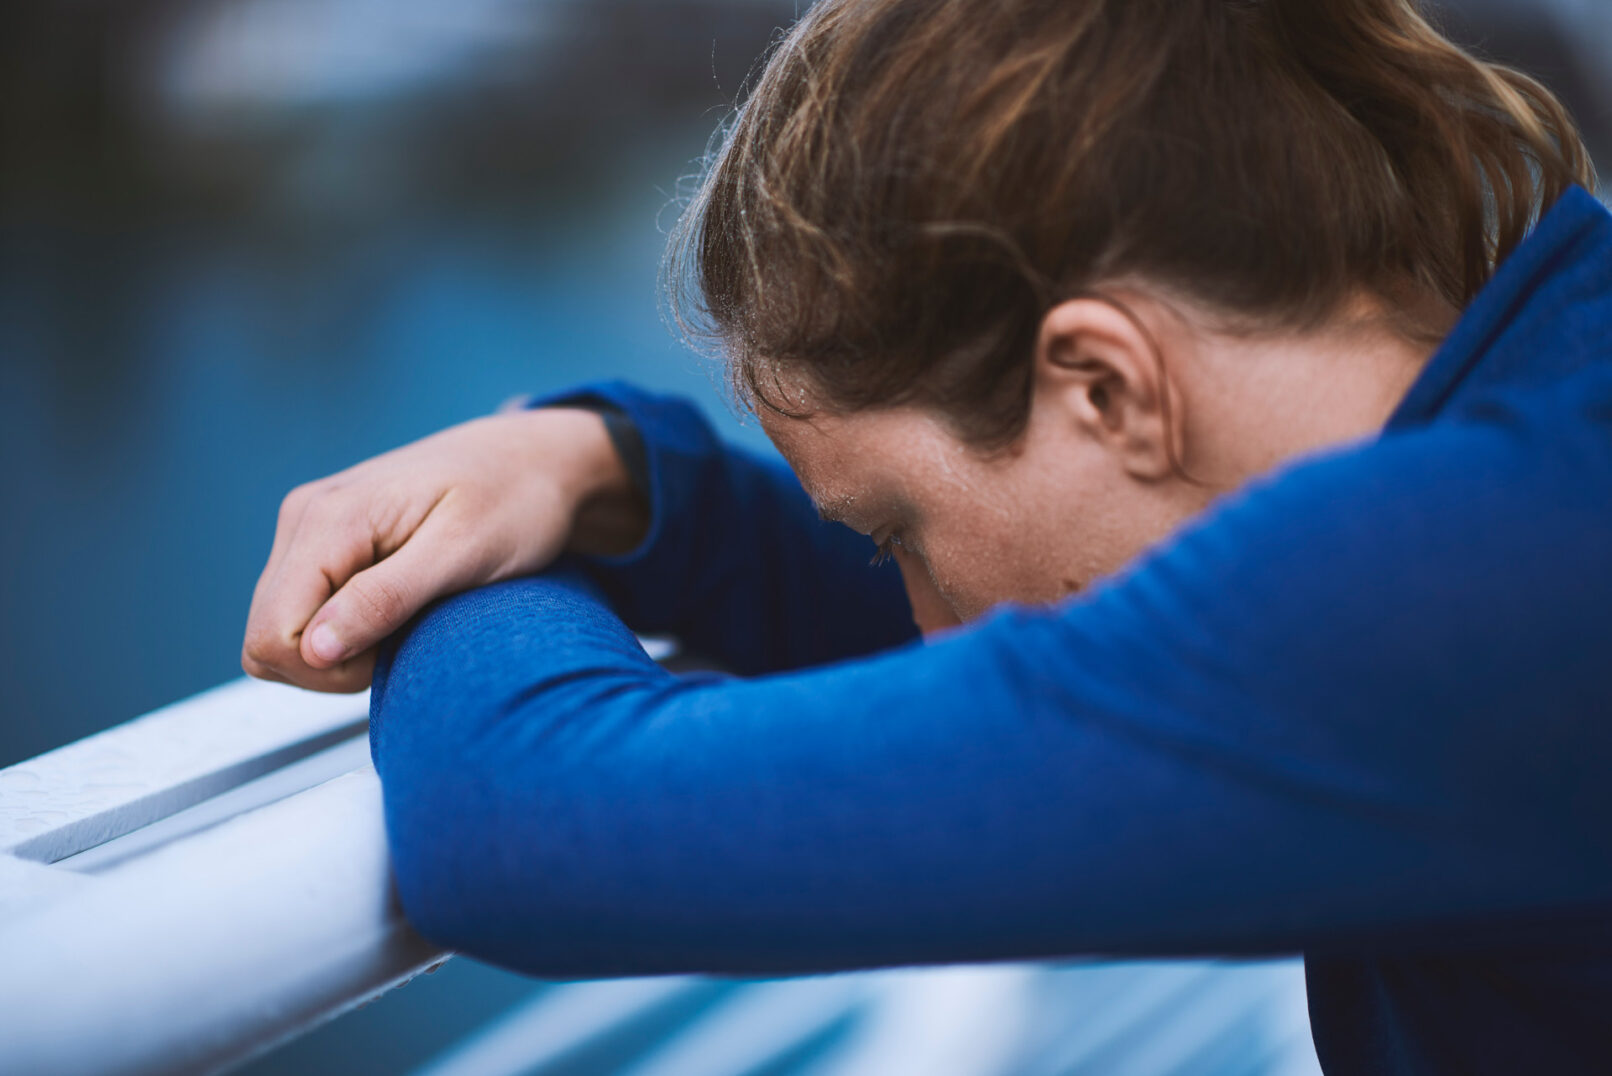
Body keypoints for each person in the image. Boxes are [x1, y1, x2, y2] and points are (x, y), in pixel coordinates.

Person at [241, 0, 1612, 1070]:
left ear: (1108, 386)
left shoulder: (1457, 597)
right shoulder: (1542, 441)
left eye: (896, 527)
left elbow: (514, 829)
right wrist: (599, 463)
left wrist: (436, 590)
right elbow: (1046, 653)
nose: (909, 614)